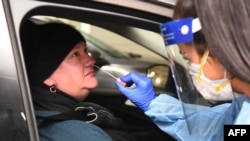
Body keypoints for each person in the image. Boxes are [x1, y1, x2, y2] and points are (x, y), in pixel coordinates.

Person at [115, 0, 250, 140]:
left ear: (217, 51)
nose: (190, 67)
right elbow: (214, 128)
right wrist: (153, 104)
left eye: (187, 58)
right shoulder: (244, 106)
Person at [20, 20, 136, 141]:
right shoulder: (80, 135)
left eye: (85, 51)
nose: (91, 61)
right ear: (46, 76)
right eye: (75, 54)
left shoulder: (41, 113)